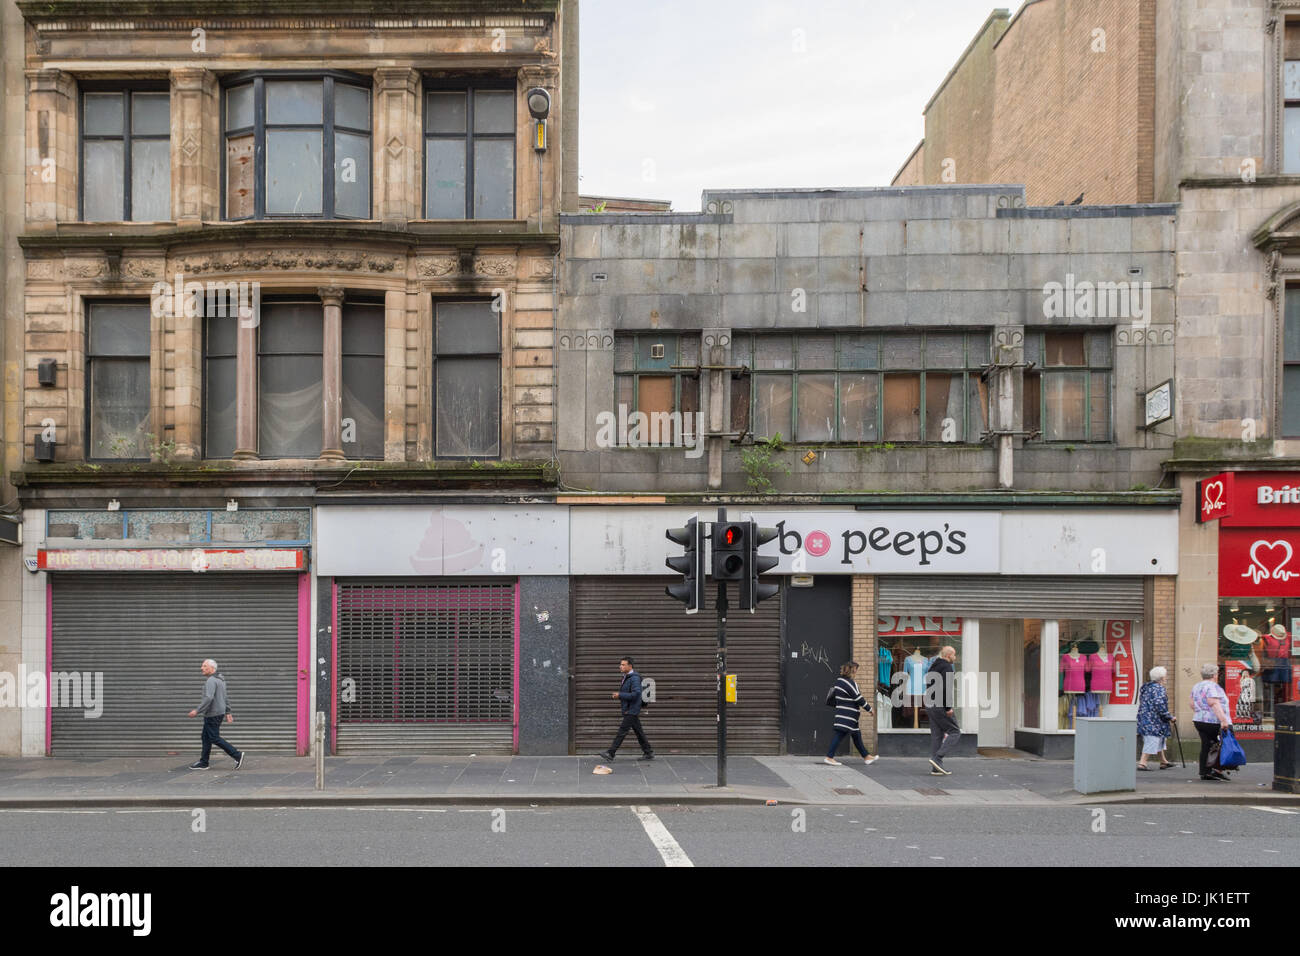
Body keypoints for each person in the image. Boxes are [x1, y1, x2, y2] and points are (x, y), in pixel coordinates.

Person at [187, 658, 243, 770]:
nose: (201, 668)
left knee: (214, 737)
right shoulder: (221, 679)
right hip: (218, 712)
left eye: (204, 666)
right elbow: (225, 697)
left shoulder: (211, 680)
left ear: (212, 668)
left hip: (213, 713)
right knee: (205, 737)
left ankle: (237, 754)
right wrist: (228, 711)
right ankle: (204, 762)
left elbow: (208, 698)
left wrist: (197, 710)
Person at [599, 656, 654, 762]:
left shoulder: (634, 678)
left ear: (630, 666)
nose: (620, 666)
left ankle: (611, 753)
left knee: (622, 731)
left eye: (623, 664)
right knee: (639, 731)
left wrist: (620, 695)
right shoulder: (628, 677)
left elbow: (636, 694)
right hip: (630, 709)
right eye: (621, 664)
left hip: (632, 709)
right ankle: (648, 752)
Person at [824, 661, 877, 766]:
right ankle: (829, 757)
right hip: (847, 715)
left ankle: (866, 756)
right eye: (856, 669)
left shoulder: (839, 682)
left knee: (856, 735)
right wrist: (869, 709)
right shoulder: (849, 683)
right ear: (853, 670)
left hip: (847, 714)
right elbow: (858, 698)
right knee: (839, 734)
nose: (856, 672)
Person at [1190, 662, 1231, 782]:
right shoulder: (1213, 686)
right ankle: (1216, 770)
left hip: (1199, 720)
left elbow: (1192, 704)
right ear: (1213, 674)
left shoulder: (1197, 686)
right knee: (1220, 745)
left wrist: (1201, 711)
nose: (1217, 675)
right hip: (1213, 721)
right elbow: (1213, 703)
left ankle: (1204, 771)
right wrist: (1223, 720)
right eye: (1217, 673)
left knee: (1206, 745)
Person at [925, 645, 960, 776]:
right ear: (948, 655)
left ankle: (936, 768)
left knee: (937, 736)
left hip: (930, 704)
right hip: (940, 705)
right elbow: (947, 688)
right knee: (955, 731)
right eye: (954, 655)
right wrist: (948, 707)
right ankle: (937, 758)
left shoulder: (933, 666)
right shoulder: (947, 667)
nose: (955, 658)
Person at [1136, 665, 1176, 770]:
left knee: (1159, 739)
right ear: (1162, 678)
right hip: (1154, 720)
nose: (1166, 678)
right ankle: (1142, 763)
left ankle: (1163, 761)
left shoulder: (1147, 687)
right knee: (1152, 740)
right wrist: (1170, 717)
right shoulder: (1159, 689)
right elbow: (1160, 706)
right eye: (1165, 676)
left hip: (1145, 717)